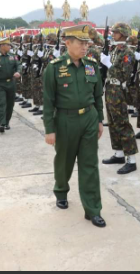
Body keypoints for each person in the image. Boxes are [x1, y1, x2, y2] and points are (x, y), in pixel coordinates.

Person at [43, 25, 106, 228]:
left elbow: (97, 95)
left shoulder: (91, 65)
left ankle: (93, 209)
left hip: (88, 118)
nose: (85, 47)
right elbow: (48, 101)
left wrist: (99, 120)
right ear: (68, 43)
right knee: (64, 161)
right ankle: (61, 190)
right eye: (81, 43)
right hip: (65, 121)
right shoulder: (55, 67)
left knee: (90, 165)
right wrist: (49, 129)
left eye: (87, 43)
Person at [100, 22, 139, 175]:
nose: (113, 34)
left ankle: (131, 160)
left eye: (115, 32)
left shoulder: (127, 52)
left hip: (118, 89)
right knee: (113, 121)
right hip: (110, 88)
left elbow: (124, 74)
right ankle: (119, 153)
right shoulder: (115, 49)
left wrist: (109, 64)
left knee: (122, 123)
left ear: (122, 34)